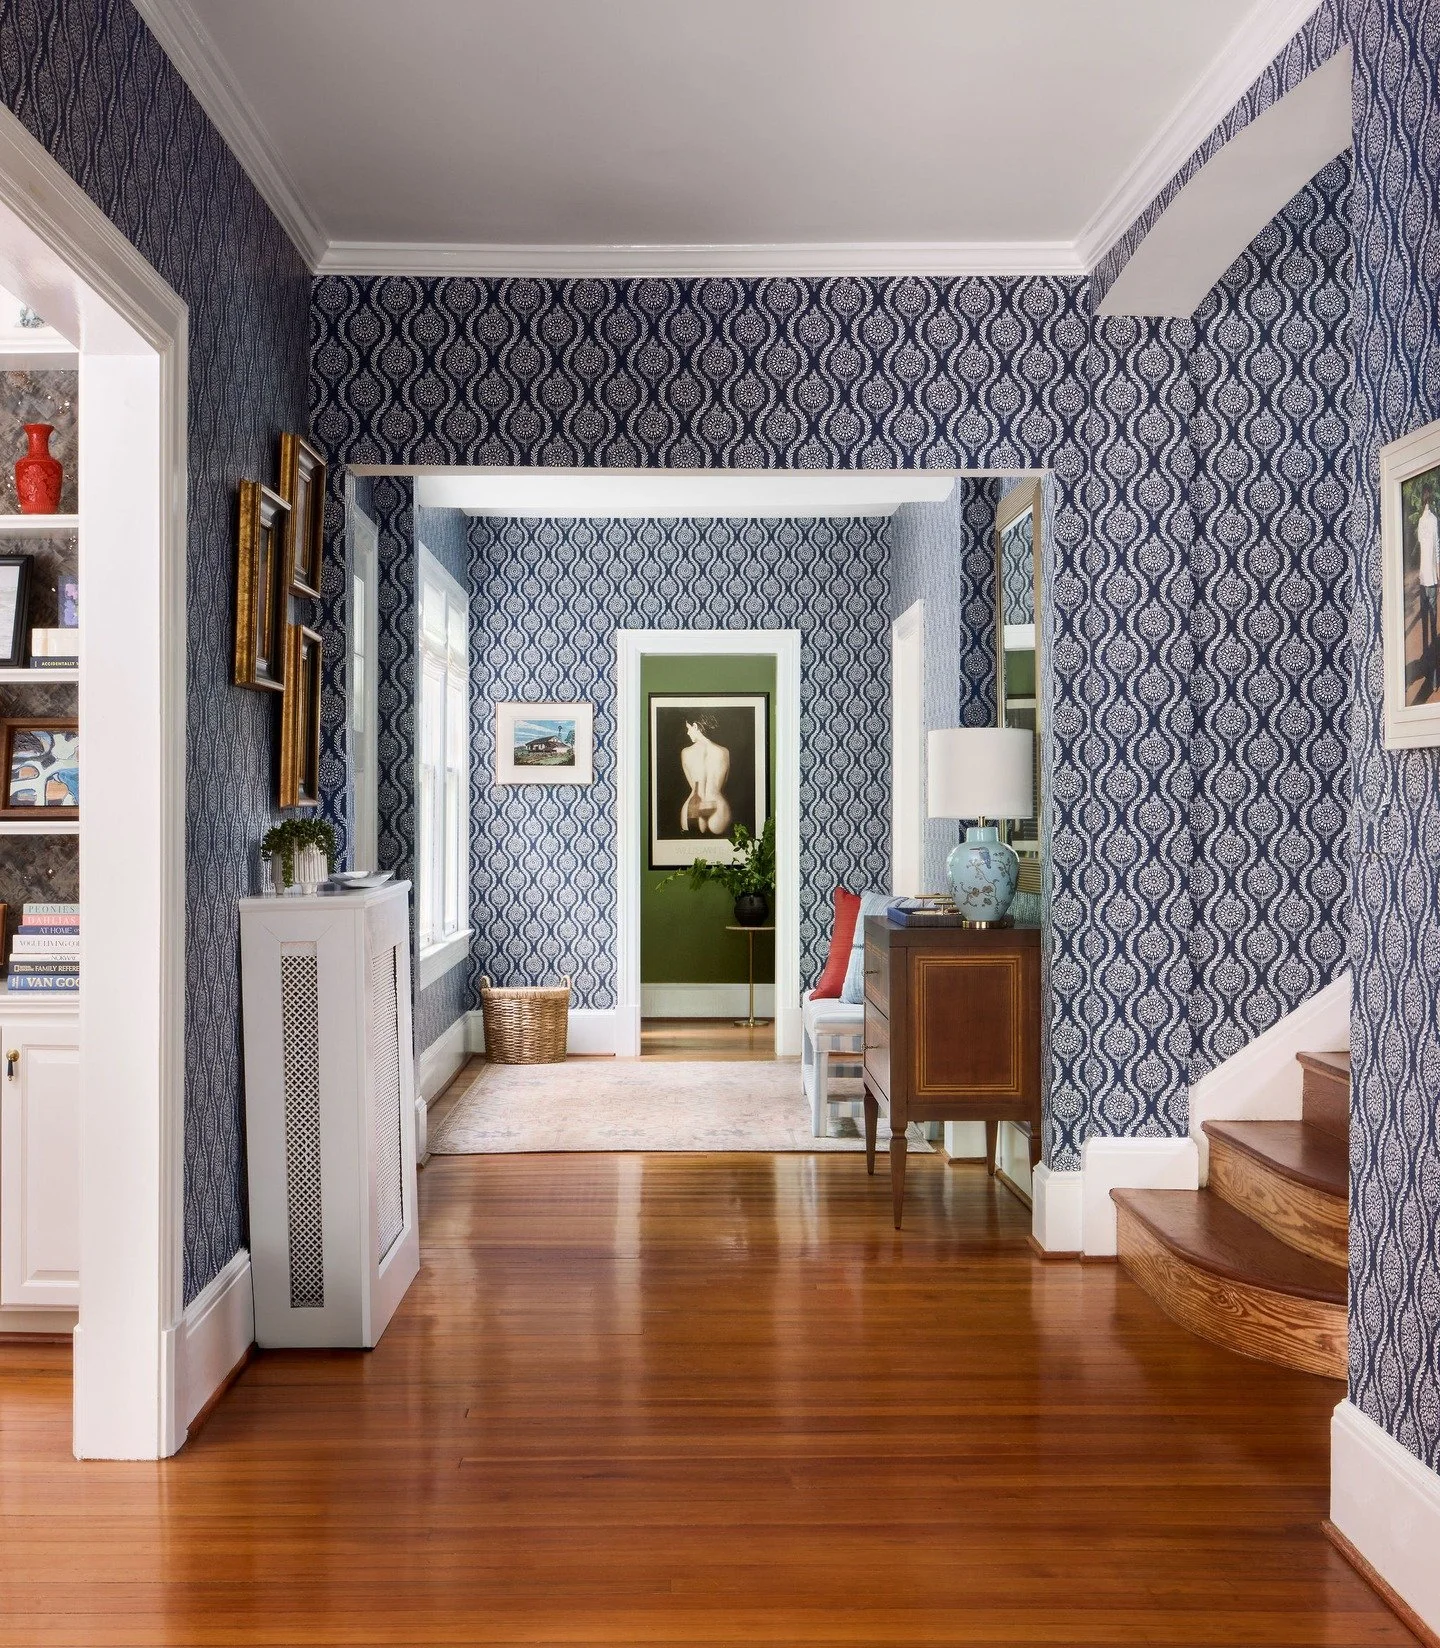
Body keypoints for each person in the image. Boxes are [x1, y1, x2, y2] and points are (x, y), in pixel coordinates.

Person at [679, 717, 731, 837]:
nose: (687, 733)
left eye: (688, 728)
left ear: (695, 726)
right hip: (718, 805)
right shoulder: (724, 752)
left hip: (694, 806)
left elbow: (693, 785)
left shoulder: (686, 752)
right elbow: (724, 783)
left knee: (692, 847)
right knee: (721, 847)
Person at [1419, 490, 1439, 698]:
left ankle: (1429, 673)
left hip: (1423, 578)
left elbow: (1423, 545)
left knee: (1426, 629)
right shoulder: (1433, 520)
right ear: (1431, 500)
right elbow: (1436, 548)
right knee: (1433, 629)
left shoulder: (1421, 521)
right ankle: (1433, 679)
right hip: (1431, 579)